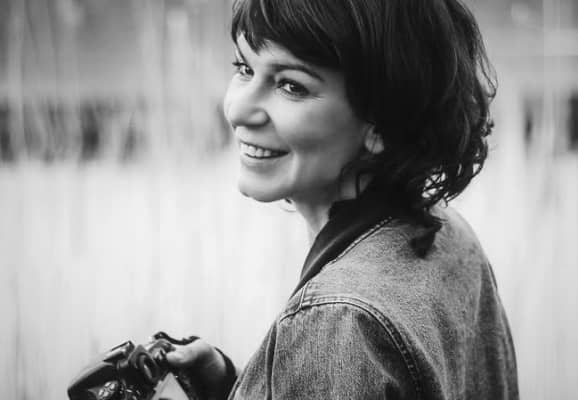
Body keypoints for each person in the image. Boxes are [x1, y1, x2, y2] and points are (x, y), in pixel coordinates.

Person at [166, 0, 519, 399]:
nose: (238, 110)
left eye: (291, 86)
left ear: (383, 121)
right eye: (244, 68)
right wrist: (234, 389)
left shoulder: (337, 319)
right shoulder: (445, 232)